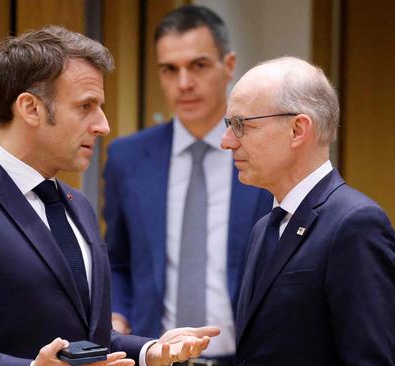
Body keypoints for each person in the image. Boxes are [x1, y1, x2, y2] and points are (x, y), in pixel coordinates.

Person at [0, 26, 219, 366]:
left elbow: (87, 338)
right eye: (86, 106)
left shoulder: (78, 205)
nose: (103, 125)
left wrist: (149, 351)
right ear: (30, 108)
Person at [104, 5, 271, 364]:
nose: (183, 83)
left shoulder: (263, 154)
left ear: (228, 66)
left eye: (198, 65)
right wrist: (117, 317)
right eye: (169, 69)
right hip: (154, 356)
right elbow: (116, 260)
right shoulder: (126, 158)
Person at [221, 56, 395, 365]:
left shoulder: (355, 224)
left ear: (298, 130)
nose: (227, 142)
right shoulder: (265, 226)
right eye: (228, 126)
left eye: (240, 125)